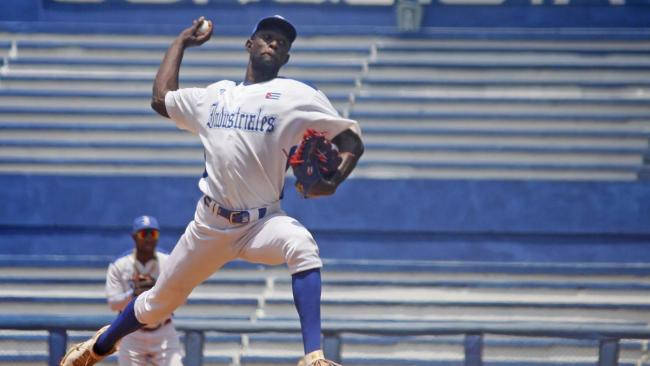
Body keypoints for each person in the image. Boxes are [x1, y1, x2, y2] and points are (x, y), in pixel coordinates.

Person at [60, 13, 364, 366]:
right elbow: (161, 99)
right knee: (160, 301)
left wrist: (334, 180)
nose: (274, 43)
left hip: (262, 223)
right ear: (249, 45)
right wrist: (181, 43)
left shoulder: (298, 95)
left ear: (287, 58)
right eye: (266, 36)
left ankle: (314, 357)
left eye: (283, 42)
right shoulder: (215, 95)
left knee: (302, 245)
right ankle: (98, 347)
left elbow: (351, 140)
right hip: (210, 225)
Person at [105, 215, 183, 365]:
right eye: (143, 234)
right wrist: (134, 294)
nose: (148, 238)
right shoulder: (119, 264)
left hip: (164, 331)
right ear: (134, 237)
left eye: (153, 233)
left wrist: (158, 291)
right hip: (131, 333)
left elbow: (182, 298)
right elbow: (113, 304)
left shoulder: (168, 261)